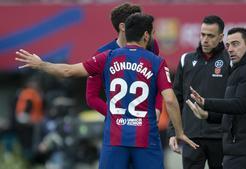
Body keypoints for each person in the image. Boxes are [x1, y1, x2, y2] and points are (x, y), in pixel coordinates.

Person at [15, 13, 198, 169]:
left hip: (115, 138)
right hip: (145, 137)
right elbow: (171, 100)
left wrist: (40, 64)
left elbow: (68, 71)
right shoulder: (156, 62)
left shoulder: (108, 57)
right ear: (146, 36)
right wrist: (179, 132)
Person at [186, 27, 246, 169]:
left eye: (235, 44)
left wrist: (206, 103)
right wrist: (208, 115)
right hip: (238, 149)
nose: (230, 49)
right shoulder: (240, 69)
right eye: (228, 45)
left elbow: (240, 105)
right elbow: (234, 114)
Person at [167, 15, 230, 169]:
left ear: (221, 37)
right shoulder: (185, 60)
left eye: (210, 35)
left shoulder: (231, 61)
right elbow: (177, 100)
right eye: (202, 34)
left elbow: (235, 103)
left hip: (220, 138)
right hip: (191, 138)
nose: (205, 39)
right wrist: (172, 131)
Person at [86, 3, 162, 123]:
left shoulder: (151, 45)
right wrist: (114, 115)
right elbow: (91, 97)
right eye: (136, 22)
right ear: (123, 27)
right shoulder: (102, 54)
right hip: (117, 126)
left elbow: (159, 83)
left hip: (144, 122)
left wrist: (158, 108)